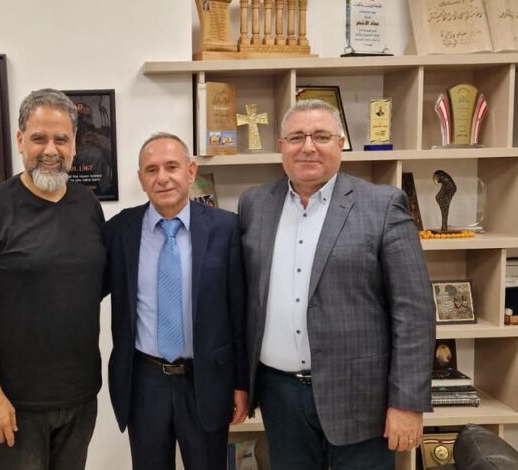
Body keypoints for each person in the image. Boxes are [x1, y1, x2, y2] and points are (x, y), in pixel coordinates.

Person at [238, 99, 436, 469]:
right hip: (280, 397)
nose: (308, 146)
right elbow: (246, 301)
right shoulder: (255, 205)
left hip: (360, 399)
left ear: (340, 144)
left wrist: (407, 403)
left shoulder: (381, 205)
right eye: (296, 137)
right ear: (281, 147)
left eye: (321, 136)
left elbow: (414, 311)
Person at [0, 88, 105, 470]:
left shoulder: (88, 205)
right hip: (16, 406)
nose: (50, 150)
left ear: (74, 144)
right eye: (39, 138)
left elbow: (88, 290)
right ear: (20, 141)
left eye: (61, 139)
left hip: (81, 398)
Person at [103, 132, 248, 470]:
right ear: (141, 179)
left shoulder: (226, 228)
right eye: (151, 170)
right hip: (145, 382)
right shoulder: (121, 230)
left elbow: (239, 312)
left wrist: (242, 384)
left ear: (191, 171)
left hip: (206, 380)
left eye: (172, 166)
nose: (163, 178)